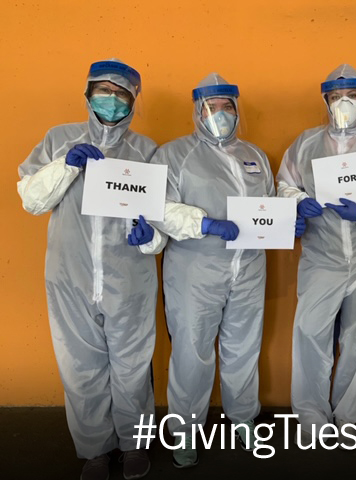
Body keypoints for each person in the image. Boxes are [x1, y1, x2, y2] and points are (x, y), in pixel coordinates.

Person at [17, 59, 164, 480]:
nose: (112, 100)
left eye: (122, 93)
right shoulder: (58, 139)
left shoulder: (147, 150)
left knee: (133, 365)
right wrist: (66, 165)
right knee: (80, 367)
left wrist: (149, 240)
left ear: (134, 100)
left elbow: (160, 222)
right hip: (70, 275)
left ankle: (134, 443)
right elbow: (32, 199)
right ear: (87, 93)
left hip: (130, 278)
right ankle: (95, 450)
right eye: (104, 90)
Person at [148, 73, 301, 468]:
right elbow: (159, 208)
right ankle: (184, 431)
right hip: (194, 271)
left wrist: (288, 222)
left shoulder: (254, 156)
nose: (219, 114)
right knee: (191, 350)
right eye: (210, 108)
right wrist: (205, 224)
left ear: (237, 110)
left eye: (226, 107)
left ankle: (243, 417)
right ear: (197, 111)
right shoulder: (174, 154)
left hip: (249, 268)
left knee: (243, 346)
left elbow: (267, 206)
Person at [276, 64, 356, 443]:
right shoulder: (305, 143)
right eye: (335, 97)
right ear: (326, 101)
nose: (343, 103)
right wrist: (300, 202)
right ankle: (310, 415)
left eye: (350, 96)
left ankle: (350, 416)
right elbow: (284, 185)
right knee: (309, 331)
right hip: (322, 252)